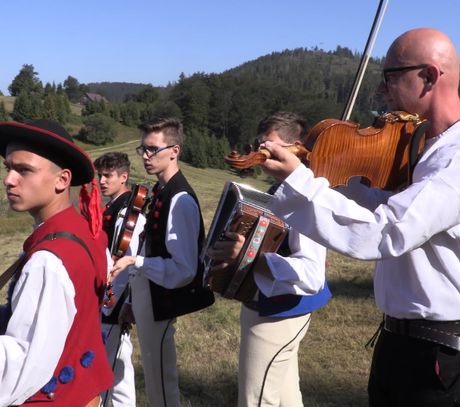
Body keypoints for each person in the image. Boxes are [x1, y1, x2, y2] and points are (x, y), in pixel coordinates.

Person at [259, 28, 460, 406]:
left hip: (439, 356)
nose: (383, 91)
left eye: (391, 77)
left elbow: (386, 231)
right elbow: (380, 204)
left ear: (430, 77)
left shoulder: (456, 160)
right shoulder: (421, 143)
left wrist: (299, 182)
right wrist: (332, 176)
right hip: (397, 342)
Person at [0, 119, 113, 406]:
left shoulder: (47, 262)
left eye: (24, 169)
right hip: (85, 390)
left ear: (62, 180)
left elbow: (20, 368)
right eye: (9, 167)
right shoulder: (86, 230)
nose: (9, 179)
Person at [207, 111, 331, 407]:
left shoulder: (306, 196)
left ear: (296, 147)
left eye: (270, 146)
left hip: (280, 314)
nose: (261, 153)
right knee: (288, 400)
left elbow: (312, 274)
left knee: (256, 401)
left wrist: (249, 257)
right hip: (270, 307)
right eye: (259, 145)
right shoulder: (280, 191)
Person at [110, 117, 214, 407]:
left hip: (162, 298)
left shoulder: (180, 199)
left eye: (153, 149)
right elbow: (149, 244)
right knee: (156, 381)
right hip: (147, 295)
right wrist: (132, 300)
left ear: (174, 150)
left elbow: (183, 269)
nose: (145, 156)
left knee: (161, 383)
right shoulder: (159, 190)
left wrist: (137, 262)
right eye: (143, 149)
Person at [94, 152, 144, 407]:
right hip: (108, 296)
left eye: (108, 175)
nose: (102, 181)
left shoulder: (128, 215)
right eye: (100, 175)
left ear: (123, 177)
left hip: (116, 296)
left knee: (106, 366)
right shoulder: (112, 208)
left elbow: (132, 261)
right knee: (119, 362)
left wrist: (128, 302)